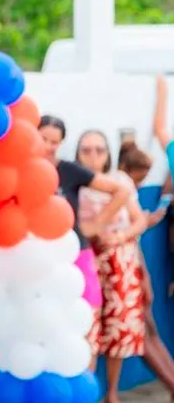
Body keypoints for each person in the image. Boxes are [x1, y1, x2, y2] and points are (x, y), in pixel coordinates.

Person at [75, 130, 147, 403]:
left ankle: (112, 393)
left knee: (120, 326)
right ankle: (88, 392)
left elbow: (139, 220)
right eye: (86, 150)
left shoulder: (120, 181)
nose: (93, 156)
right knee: (88, 328)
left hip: (120, 260)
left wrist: (119, 237)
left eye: (99, 150)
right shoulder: (76, 184)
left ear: (108, 154)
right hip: (87, 261)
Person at [38, 115, 130, 309]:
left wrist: (98, 224)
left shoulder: (70, 171)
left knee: (86, 311)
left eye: (54, 142)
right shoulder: (24, 172)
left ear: (61, 143)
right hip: (41, 255)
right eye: (43, 139)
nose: (47, 146)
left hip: (76, 251)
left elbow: (121, 191)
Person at [115, 136, 174, 396]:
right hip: (128, 271)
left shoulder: (126, 195)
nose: (140, 185)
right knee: (146, 334)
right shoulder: (123, 192)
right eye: (141, 178)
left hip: (135, 271)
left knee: (148, 333)